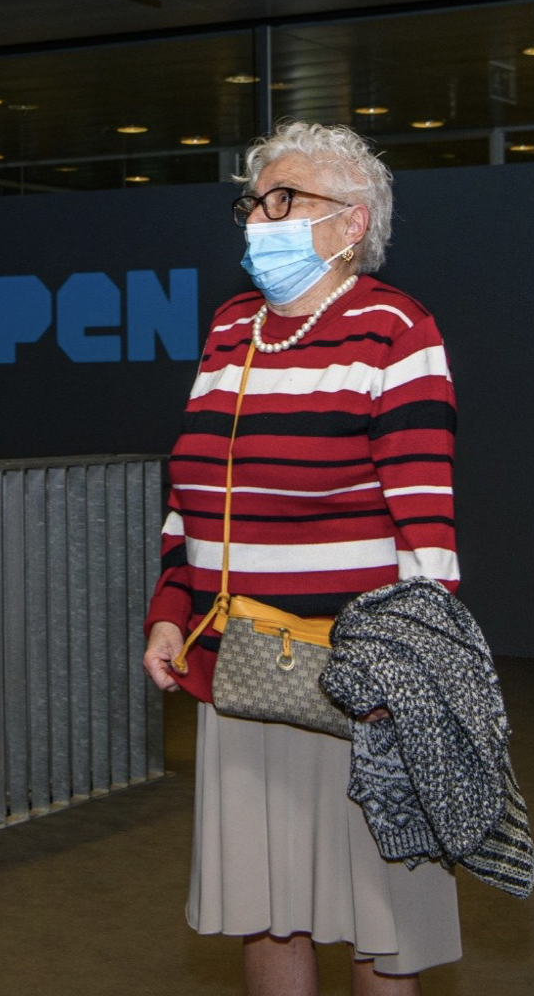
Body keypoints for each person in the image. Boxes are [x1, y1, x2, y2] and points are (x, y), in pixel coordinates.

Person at [142, 121, 462, 996]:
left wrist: (416, 681)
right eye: (254, 201)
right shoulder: (230, 328)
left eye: (284, 200)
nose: (259, 218)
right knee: (266, 903)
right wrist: (170, 613)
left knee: (379, 918)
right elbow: (193, 496)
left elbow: (426, 529)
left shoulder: (397, 328)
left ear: (350, 222)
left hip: (362, 684)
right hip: (241, 674)